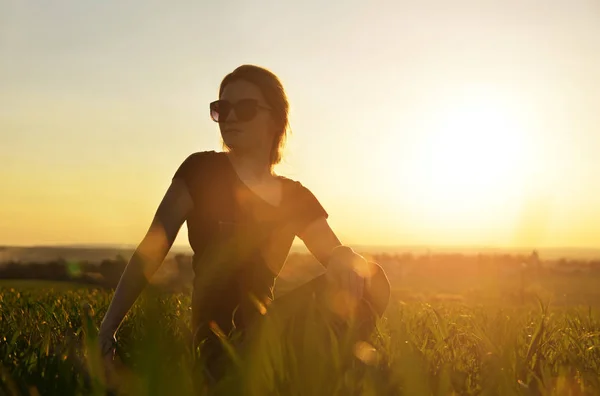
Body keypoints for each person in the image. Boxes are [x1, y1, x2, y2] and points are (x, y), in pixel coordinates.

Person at [98, 64, 391, 392]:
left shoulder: (296, 197)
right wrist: (107, 331)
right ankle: (280, 373)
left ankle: (311, 370)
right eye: (222, 109)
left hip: (269, 328)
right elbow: (152, 249)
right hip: (215, 337)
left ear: (275, 119)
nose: (231, 117)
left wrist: (343, 256)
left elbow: (337, 258)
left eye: (246, 108)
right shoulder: (201, 170)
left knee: (372, 278)